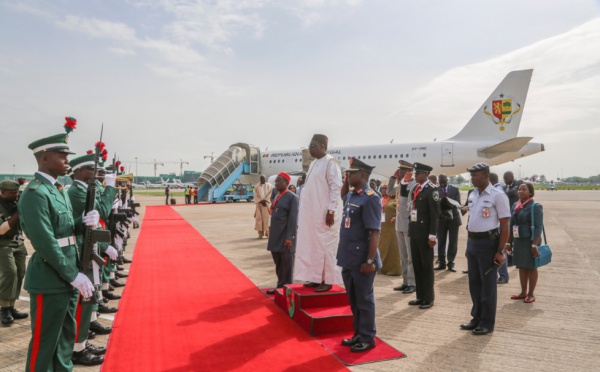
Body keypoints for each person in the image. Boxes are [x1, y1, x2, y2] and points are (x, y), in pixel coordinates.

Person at [19, 125, 100, 371]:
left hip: (67, 272)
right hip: (50, 275)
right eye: (62, 155)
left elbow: (63, 230)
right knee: (46, 340)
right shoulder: (34, 193)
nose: (67, 160)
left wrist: (83, 222)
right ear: (44, 158)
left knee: (65, 337)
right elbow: (45, 242)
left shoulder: (57, 190)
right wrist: (73, 275)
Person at [67, 153, 118, 366]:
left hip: (91, 246)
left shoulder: (85, 189)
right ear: (79, 171)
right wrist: (110, 188)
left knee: (89, 296)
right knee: (84, 298)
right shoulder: (77, 192)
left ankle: (82, 342)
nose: (97, 174)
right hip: (83, 249)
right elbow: (102, 212)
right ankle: (77, 348)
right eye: (92, 169)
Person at [460, 162, 510, 335]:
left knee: (488, 285)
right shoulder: (473, 194)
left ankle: (487, 323)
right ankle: (476, 318)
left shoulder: (498, 195)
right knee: (474, 283)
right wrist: (468, 245)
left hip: (489, 244)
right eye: (471, 175)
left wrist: (500, 250)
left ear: (486, 176)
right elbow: (471, 221)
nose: (472, 178)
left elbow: (505, 225)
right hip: (473, 242)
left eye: (475, 175)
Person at [337, 157, 381, 353]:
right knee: (353, 299)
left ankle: (368, 337)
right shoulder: (353, 195)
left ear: (363, 175)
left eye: (352, 173)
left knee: (364, 299)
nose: (348, 175)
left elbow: (375, 232)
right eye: (347, 173)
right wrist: (346, 182)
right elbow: (343, 196)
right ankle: (358, 333)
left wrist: (370, 260)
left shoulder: (371, 197)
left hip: (363, 259)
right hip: (348, 257)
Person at [294, 134, 343, 292]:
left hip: (325, 214)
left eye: (313, 145)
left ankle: (328, 279)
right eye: (310, 145)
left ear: (322, 146)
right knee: (312, 245)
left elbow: (336, 188)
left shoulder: (331, 162)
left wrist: (331, 211)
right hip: (312, 215)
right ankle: (315, 277)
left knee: (326, 247)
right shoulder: (314, 163)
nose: (310, 148)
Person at [407, 163, 440, 310]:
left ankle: (428, 297)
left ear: (426, 174)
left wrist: (432, 236)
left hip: (426, 234)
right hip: (415, 232)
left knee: (426, 267)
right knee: (417, 265)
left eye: (418, 173)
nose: (415, 175)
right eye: (415, 173)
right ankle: (419, 296)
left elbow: (434, 215)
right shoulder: (416, 188)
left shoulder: (432, 190)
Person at [507, 182, 543, 303]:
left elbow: (538, 227)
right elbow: (511, 225)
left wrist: (534, 244)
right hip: (518, 240)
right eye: (519, 189)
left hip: (530, 240)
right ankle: (523, 292)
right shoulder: (515, 206)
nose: (520, 191)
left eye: (524, 189)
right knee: (522, 266)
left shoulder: (535, 206)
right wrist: (508, 242)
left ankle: (531, 294)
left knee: (532, 267)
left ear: (530, 192)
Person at [0, 180, 28, 325]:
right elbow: (2, 229)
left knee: (20, 273)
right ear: (2, 192)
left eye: (17, 192)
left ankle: (11, 307)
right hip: (3, 243)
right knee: (10, 272)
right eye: (12, 193)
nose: (16, 195)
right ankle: (3, 309)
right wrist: (19, 211)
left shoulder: (18, 200)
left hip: (19, 242)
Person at [266, 173, 299, 295]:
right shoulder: (277, 197)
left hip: (285, 237)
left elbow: (293, 219)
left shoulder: (292, 197)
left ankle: (288, 289)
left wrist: (290, 237)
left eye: (279, 181)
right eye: (276, 181)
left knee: (287, 265)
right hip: (275, 236)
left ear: (287, 183)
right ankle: (280, 286)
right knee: (278, 264)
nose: (276, 183)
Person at [392, 160, 416, 294]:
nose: (399, 172)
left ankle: (412, 282)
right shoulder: (399, 184)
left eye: (402, 170)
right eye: (399, 170)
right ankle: (405, 281)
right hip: (399, 223)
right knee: (403, 255)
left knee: (411, 255)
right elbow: (390, 192)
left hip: (408, 223)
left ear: (408, 172)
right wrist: (393, 178)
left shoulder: (413, 185)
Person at [435, 174, 462, 272]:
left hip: (453, 219)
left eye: (444, 181)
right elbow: (435, 204)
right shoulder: (436, 190)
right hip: (441, 220)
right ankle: (441, 263)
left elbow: (457, 203)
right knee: (441, 241)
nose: (442, 183)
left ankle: (451, 263)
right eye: (440, 181)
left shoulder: (455, 189)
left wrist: (446, 204)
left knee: (453, 242)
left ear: (447, 179)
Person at [378, 185, 400, 276]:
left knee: (392, 247)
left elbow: (400, 211)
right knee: (382, 247)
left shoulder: (395, 200)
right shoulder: (380, 200)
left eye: (386, 188)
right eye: (383, 188)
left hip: (391, 227)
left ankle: (393, 270)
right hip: (382, 227)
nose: (384, 190)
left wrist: (396, 217)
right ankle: (381, 268)